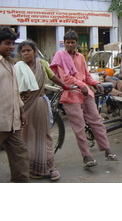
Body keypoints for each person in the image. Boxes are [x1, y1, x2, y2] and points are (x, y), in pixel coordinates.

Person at [50, 29, 117, 168]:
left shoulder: (80, 57)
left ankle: (107, 150)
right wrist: (82, 85)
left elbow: (86, 75)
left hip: (86, 93)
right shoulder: (60, 56)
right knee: (79, 127)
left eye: (72, 42)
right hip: (71, 94)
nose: (69, 45)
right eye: (67, 42)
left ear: (76, 43)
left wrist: (96, 83)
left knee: (97, 121)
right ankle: (86, 156)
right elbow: (65, 78)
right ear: (64, 43)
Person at [14, 40, 74, 180]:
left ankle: (50, 167)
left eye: (29, 50)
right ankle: (30, 167)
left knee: (44, 135)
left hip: (39, 103)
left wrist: (65, 86)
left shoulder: (42, 64)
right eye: (23, 51)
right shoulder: (17, 67)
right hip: (24, 105)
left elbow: (52, 76)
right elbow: (14, 85)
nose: (26, 53)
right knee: (26, 137)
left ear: (35, 52)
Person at [0, 26, 30, 183]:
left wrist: (22, 111)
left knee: (21, 159)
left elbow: (14, 91)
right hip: (1, 121)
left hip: (14, 123)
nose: (11, 47)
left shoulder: (11, 64)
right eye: (7, 43)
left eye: (12, 43)